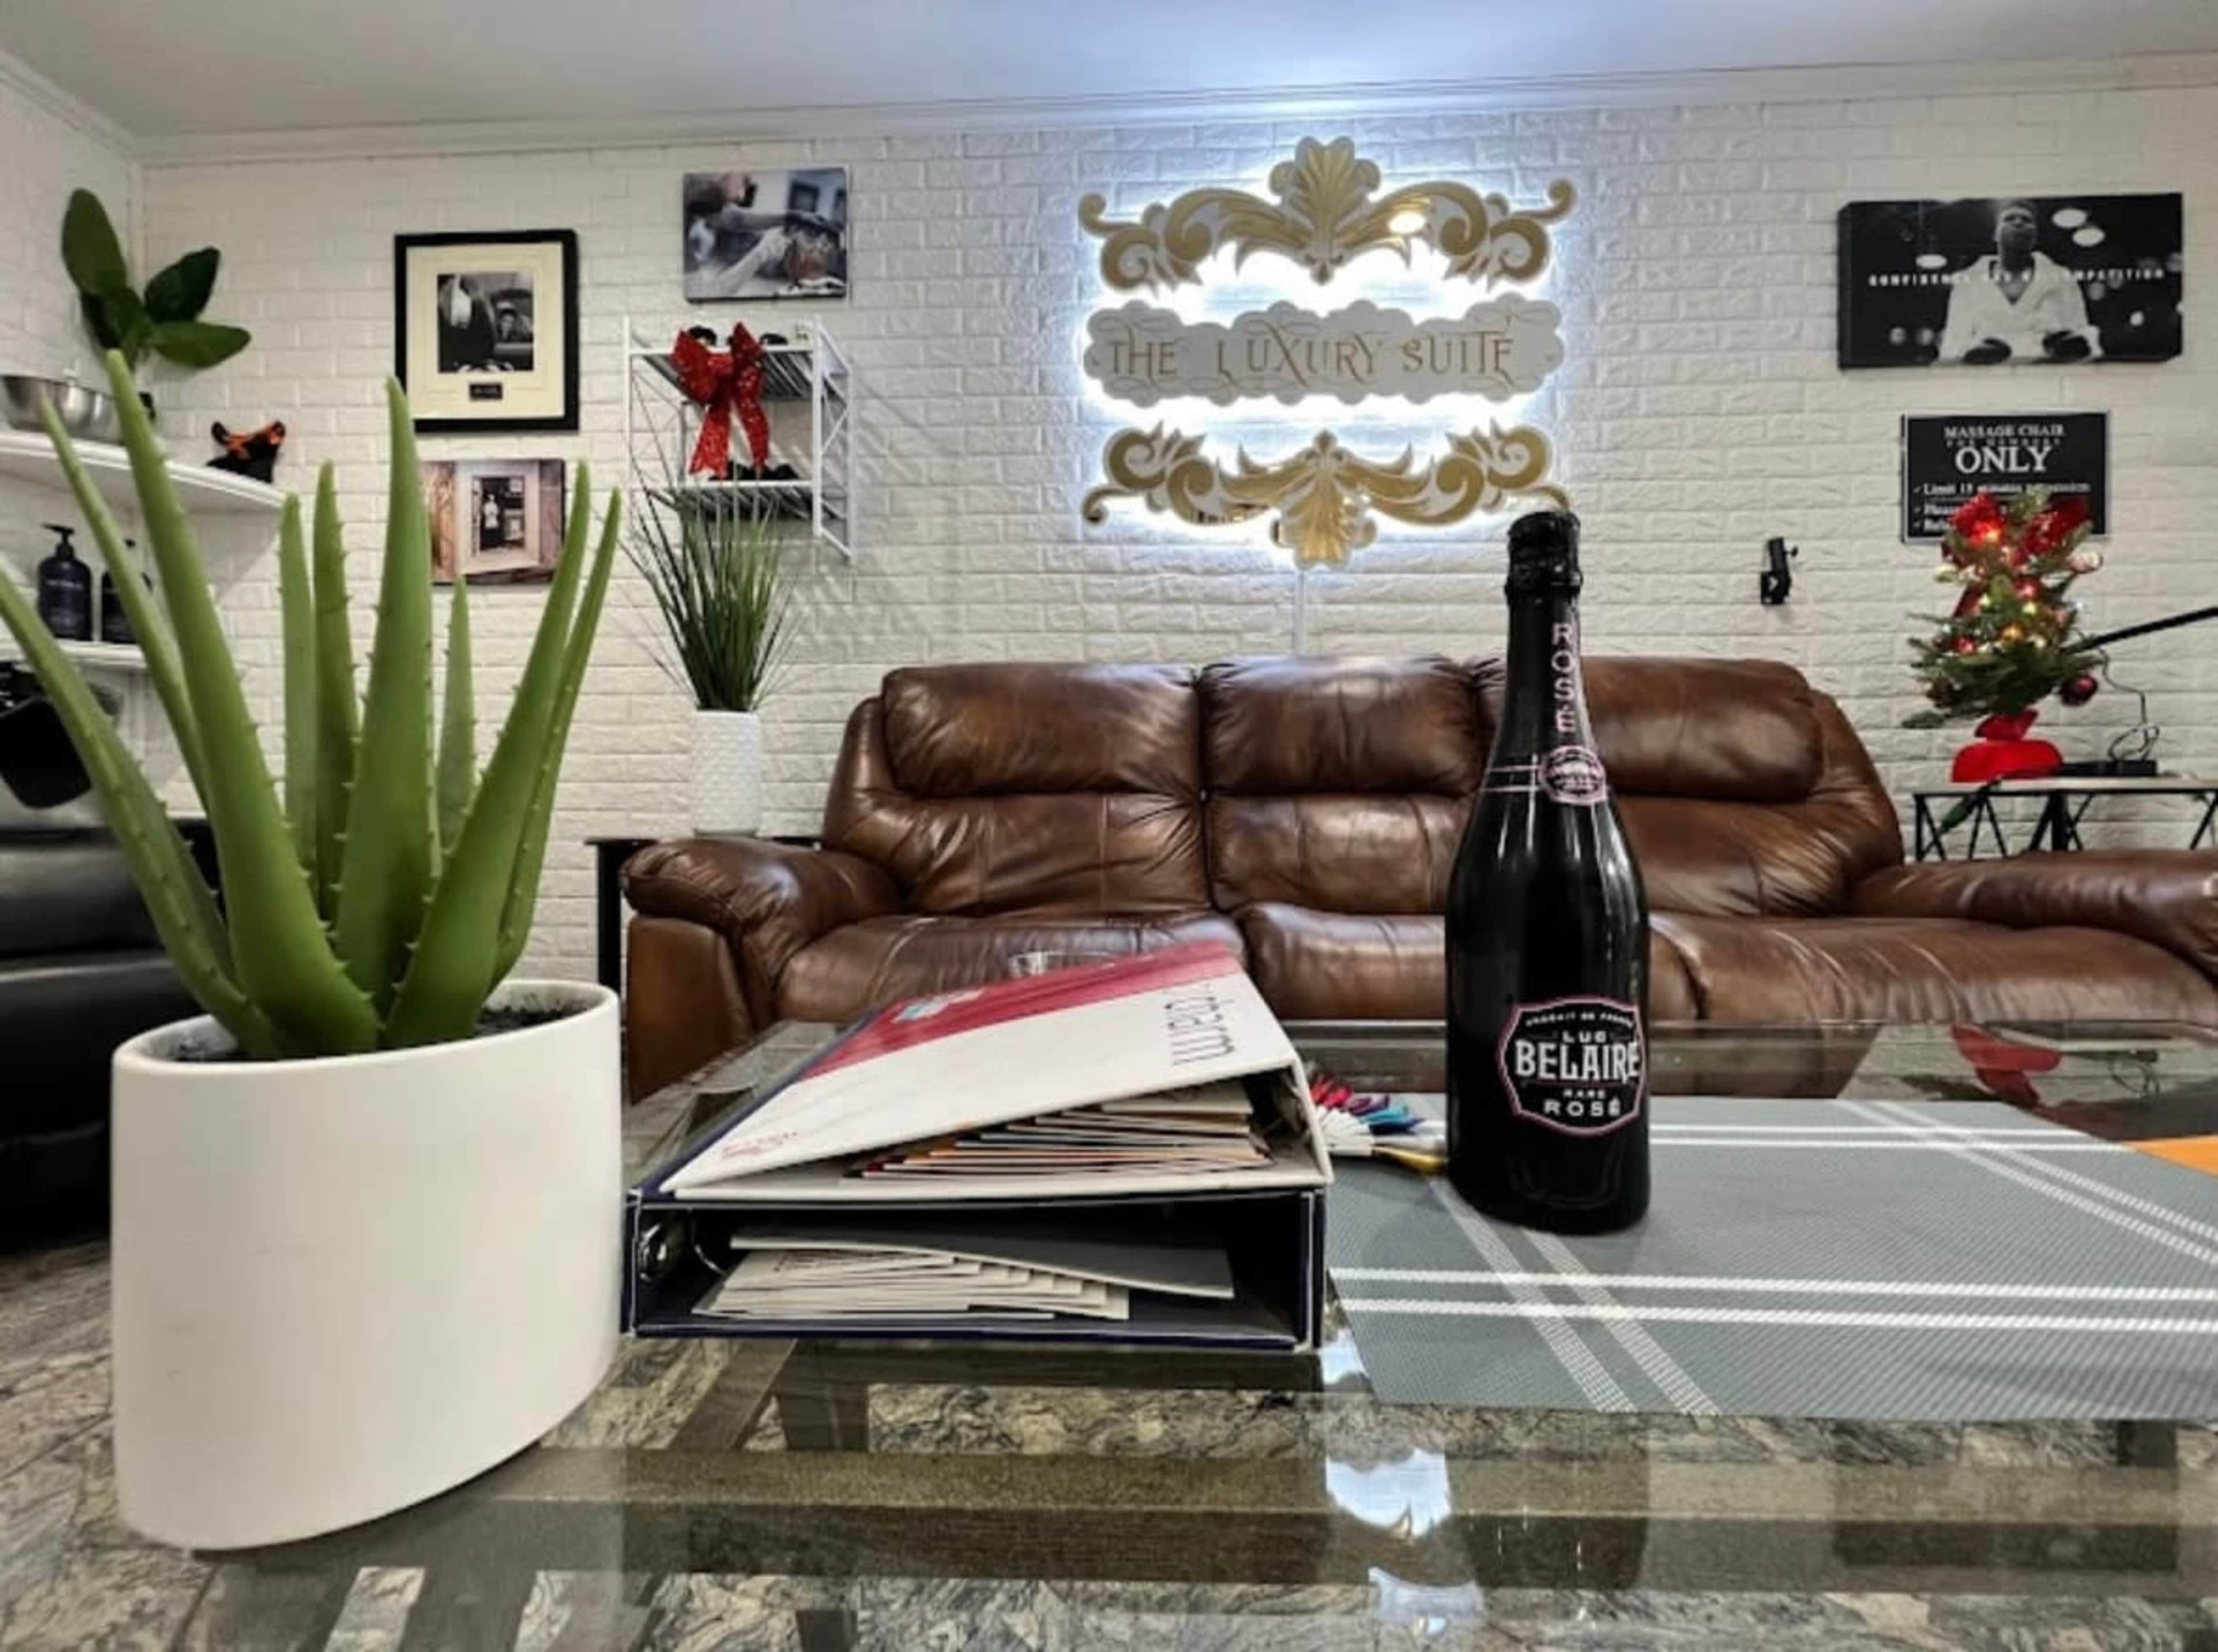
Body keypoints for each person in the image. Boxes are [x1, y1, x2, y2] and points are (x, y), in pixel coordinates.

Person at [1937, 200, 2098, 364]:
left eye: (2027, 220)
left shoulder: (2061, 278)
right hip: (1986, 380)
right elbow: (1953, 343)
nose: (2018, 222)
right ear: (1995, 234)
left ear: (2035, 236)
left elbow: (2082, 336)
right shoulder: (1968, 282)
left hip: (2048, 377)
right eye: (2009, 219)